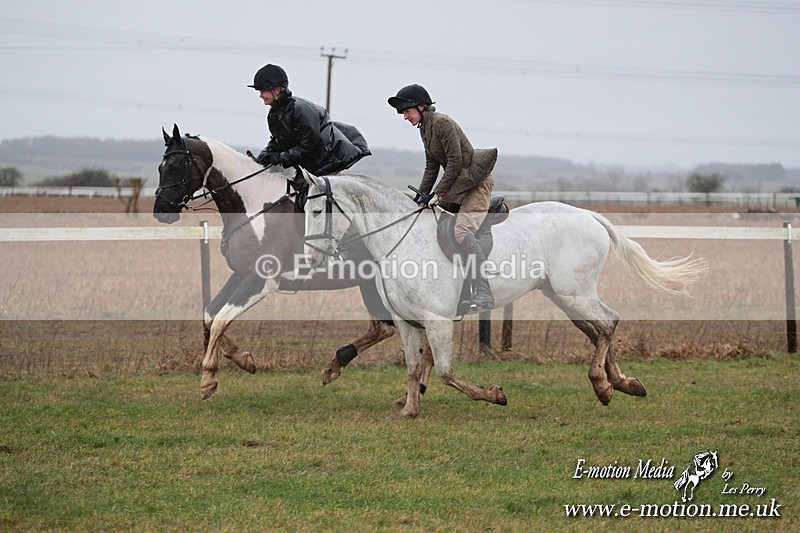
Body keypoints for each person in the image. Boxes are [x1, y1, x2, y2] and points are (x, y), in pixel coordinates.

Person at [388, 84, 498, 309]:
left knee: (461, 231)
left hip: (475, 184)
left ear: (421, 107)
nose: (405, 117)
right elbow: (431, 166)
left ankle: (485, 291)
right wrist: (419, 198)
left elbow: (455, 162)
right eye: (403, 114)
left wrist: (437, 193)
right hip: (457, 184)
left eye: (407, 111)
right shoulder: (424, 128)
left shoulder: (442, 123)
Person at [248, 63, 371, 188]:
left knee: (311, 199)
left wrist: (278, 157)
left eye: (263, 91)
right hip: (309, 164)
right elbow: (277, 141)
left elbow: (307, 147)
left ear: (277, 90)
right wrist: (261, 158)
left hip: (327, 162)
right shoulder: (274, 113)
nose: (261, 95)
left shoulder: (301, 109)